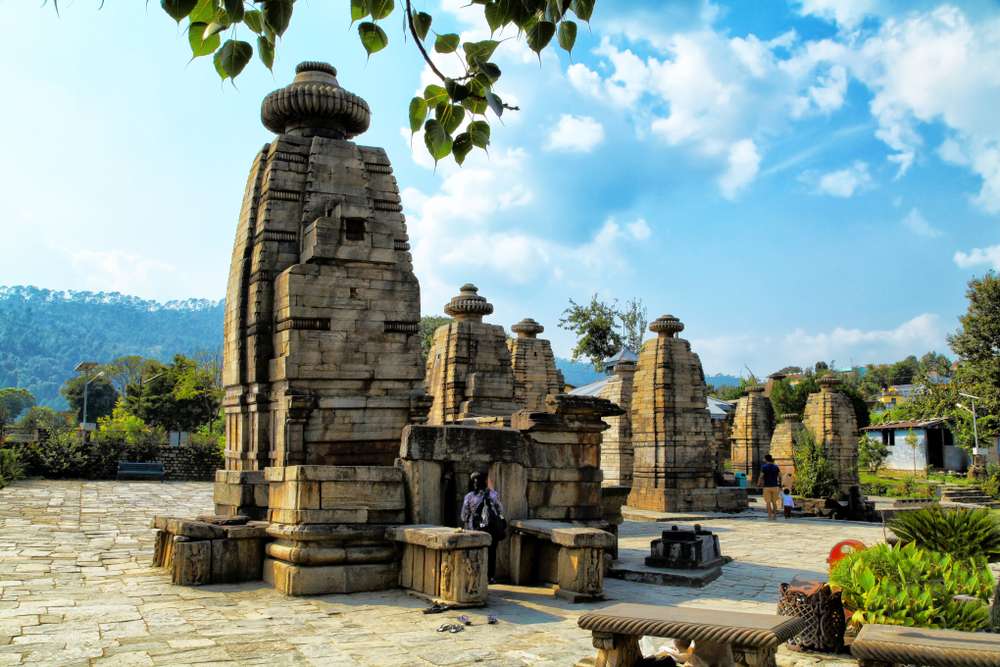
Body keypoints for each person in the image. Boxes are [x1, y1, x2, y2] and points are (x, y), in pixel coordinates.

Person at [460, 471, 506, 583]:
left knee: (474, 553)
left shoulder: (469, 497)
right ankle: (490, 577)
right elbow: (500, 510)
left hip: (475, 530)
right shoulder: (493, 495)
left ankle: (476, 577)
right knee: (491, 553)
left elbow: (464, 516)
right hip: (491, 530)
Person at [761, 454, 781, 520]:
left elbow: (761, 476)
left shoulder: (764, 467)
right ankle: (775, 516)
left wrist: (759, 483)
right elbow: (780, 476)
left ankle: (769, 516)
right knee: (774, 502)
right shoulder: (776, 467)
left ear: (766, 459)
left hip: (767, 486)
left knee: (768, 502)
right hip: (775, 486)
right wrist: (780, 484)